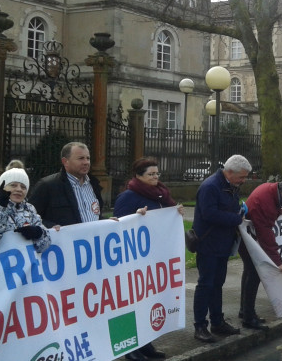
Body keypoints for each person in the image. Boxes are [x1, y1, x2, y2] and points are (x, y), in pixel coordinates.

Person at [113, 157, 180, 359]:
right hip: (131, 262)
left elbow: (166, 218)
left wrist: (176, 213)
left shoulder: (160, 195)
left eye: (157, 173)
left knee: (146, 303)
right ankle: (130, 349)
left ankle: (145, 343)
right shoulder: (128, 197)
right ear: (138, 176)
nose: (155, 177)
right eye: (150, 174)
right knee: (129, 306)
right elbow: (119, 226)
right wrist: (135, 217)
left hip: (152, 260)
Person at [192, 155, 251, 343]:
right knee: (205, 284)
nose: (244, 181)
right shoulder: (210, 186)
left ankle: (217, 321)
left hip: (223, 244)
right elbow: (209, 214)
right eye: (241, 177)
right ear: (230, 172)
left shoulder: (229, 185)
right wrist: (236, 219)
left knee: (217, 284)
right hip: (208, 243)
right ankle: (200, 325)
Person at [239, 178, 282, 331]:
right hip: (249, 238)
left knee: (248, 272)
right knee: (254, 275)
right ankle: (248, 317)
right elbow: (266, 234)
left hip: (247, 236)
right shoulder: (267, 201)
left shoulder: (271, 191)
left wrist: (279, 209)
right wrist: (277, 262)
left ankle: (245, 311)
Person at [28, 142, 106, 227]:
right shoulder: (48, 186)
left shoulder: (94, 185)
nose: (86, 162)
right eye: (81, 158)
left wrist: (108, 222)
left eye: (88, 158)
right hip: (62, 239)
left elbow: (94, 216)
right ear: (65, 161)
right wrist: (50, 226)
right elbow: (29, 217)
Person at [0, 168, 51, 253]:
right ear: (2, 187)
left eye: (23, 187)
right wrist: (1, 208)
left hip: (21, 265)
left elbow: (44, 247)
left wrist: (38, 233)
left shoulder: (29, 209)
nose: (19, 189)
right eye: (13, 185)